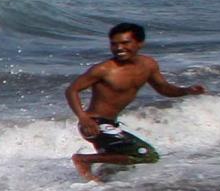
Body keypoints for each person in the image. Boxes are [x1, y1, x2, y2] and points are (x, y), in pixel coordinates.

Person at [66, 22, 207, 181]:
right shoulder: (104, 69)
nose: (119, 48)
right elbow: (72, 90)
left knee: (115, 169)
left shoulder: (148, 65)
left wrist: (186, 90)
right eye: (114, 44)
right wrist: (83, 119)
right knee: (148, 155)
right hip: (95, 124)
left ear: (140, 43)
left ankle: (94, 189)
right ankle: (83, 160)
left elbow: (163, 89)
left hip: (111, 124)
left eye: (125, 43)